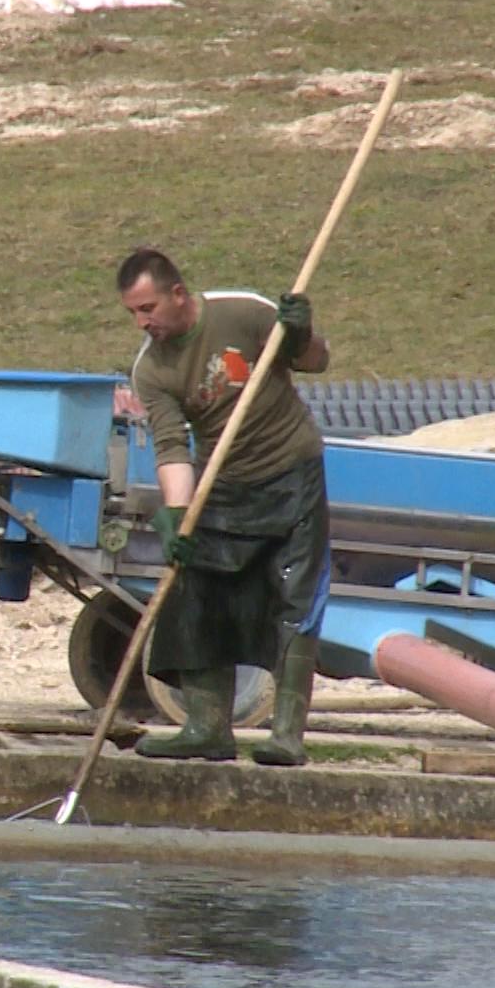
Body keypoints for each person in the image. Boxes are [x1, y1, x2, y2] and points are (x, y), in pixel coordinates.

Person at [118, 247, 330, 766]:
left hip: (292, 472)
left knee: (293, 599)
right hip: (224, 483)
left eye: (148, 309)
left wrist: (299, 333)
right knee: (195, 590)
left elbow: (317, 361)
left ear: (178, 295)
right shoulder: (152, 370)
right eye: (133, 314)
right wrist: (175, 515)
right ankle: (207, 727)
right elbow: (170, 445)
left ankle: (286, 736)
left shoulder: (242, 312)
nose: (143, 322)